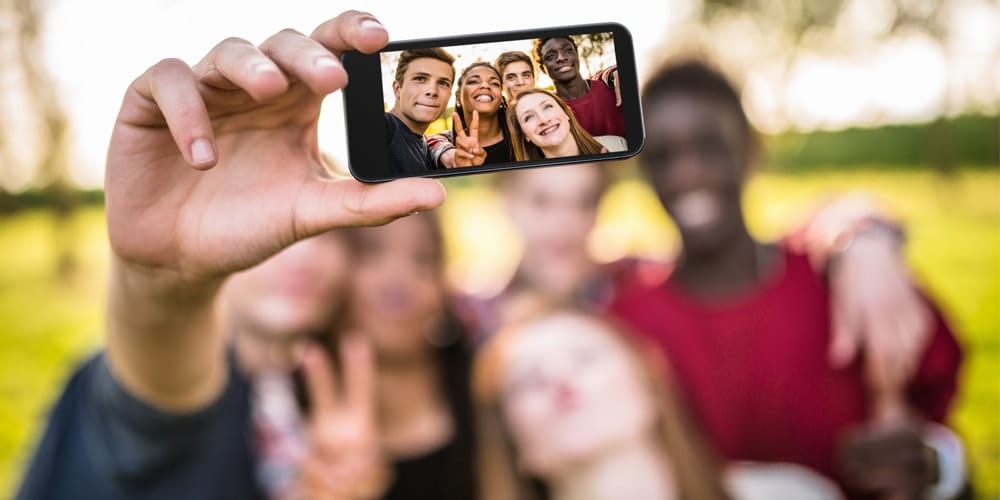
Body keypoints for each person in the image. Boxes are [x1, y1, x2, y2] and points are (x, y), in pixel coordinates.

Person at [17, 11, 447, 499]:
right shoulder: (168, 379)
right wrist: (162, 285)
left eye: (333, 237)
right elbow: (160, 384)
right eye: (282, 237)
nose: (304, 256)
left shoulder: (317, 395)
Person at [608, 60, 969, 499]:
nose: (687, 173)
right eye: (663, 157)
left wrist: (937, 465)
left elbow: (947, 439)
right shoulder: (626, 321)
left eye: (710, 147)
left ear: (750, 150)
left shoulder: (844, 281)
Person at [473, 306, 845, 500]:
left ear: (650, 385)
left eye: (585, 357)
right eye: (529, 380)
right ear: (513, 444)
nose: (560, 380)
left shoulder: (791, 494)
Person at [337, 211, 478, 500]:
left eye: (423, 258)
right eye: (372, 250)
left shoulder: (485, 384)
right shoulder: (281, 403)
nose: (398, 278)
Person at [533, 36, 625, 138]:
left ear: (577, 54)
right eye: (550, 56)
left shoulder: (614, 87)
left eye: (568, 50)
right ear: (542, 68)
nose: (561, 57)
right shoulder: (545, 112)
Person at [427, 62, 514, 168]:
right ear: (458, 97)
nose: (485, 85)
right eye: (473, 81)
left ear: (501, 98)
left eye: (494, 83)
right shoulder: (446, 147)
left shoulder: (522, 137)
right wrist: (447, 152)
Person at [385, 48, 456, 175]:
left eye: (443, 83)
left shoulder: (425, 145)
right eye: (420, 79)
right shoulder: (385, 126)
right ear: (397, 89)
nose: (433, 91)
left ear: (449, 95)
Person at [508, 88, 610, 161]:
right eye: (529, 117)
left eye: (547, 107)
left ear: (566, 113)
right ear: (524, 134)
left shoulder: (618, 145)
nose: (543, 120)